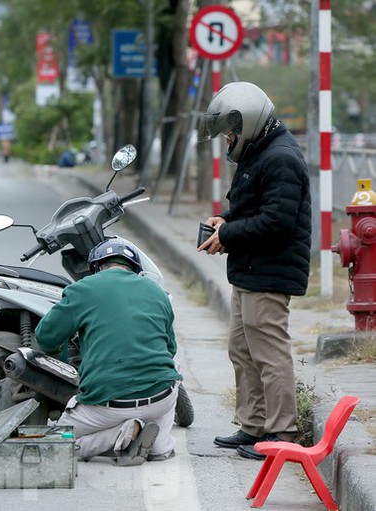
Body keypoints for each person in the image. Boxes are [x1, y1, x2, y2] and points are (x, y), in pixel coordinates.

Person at [196, 81, 312, 460]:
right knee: (242, 351)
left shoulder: (280, 157)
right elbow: (253, 207)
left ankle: (282, 435)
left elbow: (277, 221)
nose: (228, 137)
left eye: (231, 129)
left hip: (270, 272)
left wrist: (229, 232)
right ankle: (253, 427)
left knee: (269, 354)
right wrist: (224, 220)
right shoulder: (260, 151)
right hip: (250, 269)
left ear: (248, 121)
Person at [35, 238, 182, 466]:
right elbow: (170, 348)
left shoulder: (83, 289)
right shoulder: (157, 292)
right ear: (134, 268)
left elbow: (45, 337)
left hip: (108, 406)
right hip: (161, 397)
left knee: (54, 443)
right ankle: (160, 446)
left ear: (96, 267)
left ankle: (120, 435)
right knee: (173, 372)